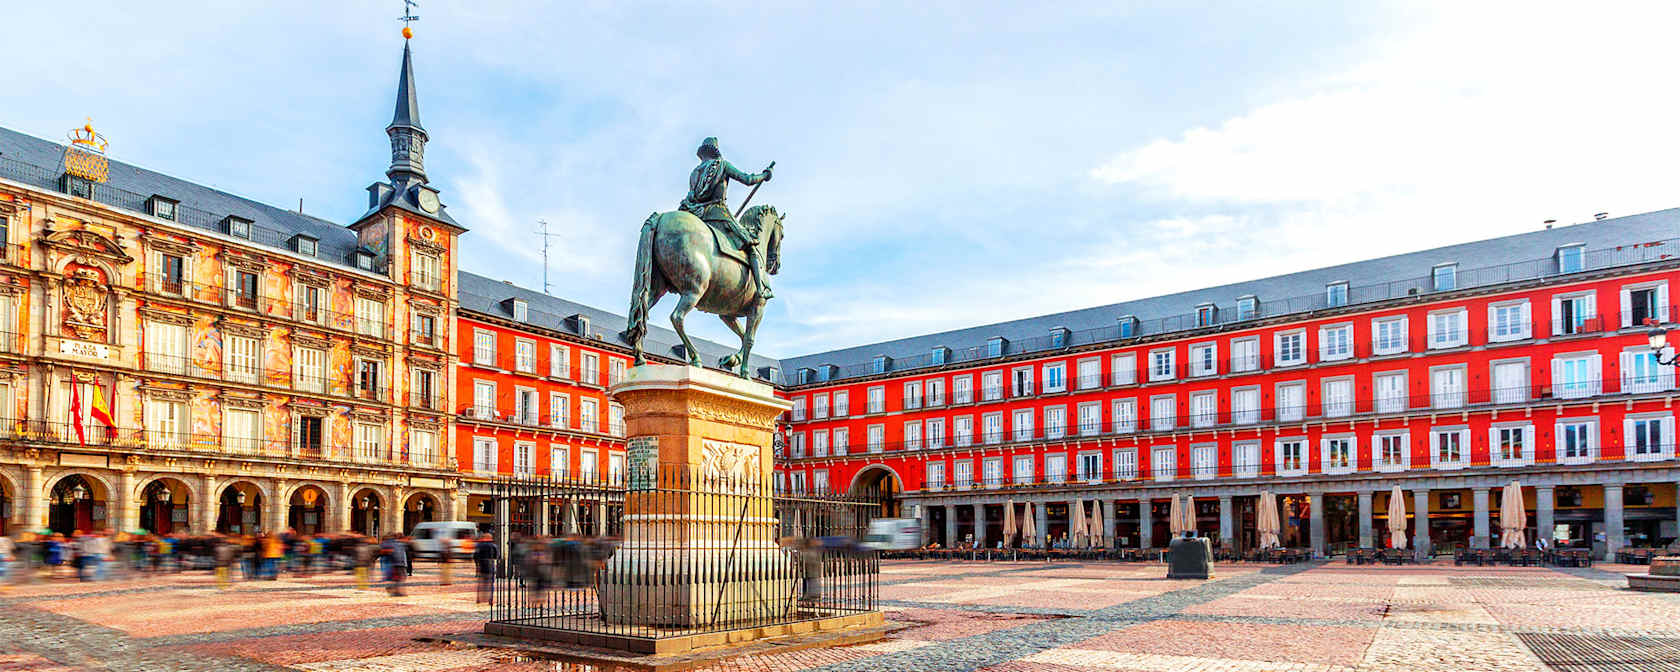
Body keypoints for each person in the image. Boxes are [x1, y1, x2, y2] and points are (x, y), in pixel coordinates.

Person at [678, 136, 775, 299]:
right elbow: (748, 180)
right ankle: (761, 288)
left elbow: (694, 196)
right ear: (716, 151)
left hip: (697, 215)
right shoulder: (722, 165)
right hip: (717, 213)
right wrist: (764, 175)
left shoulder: (694, 173)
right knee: (751, 243)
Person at [474, 533, 498, 604]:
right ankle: (490, 599)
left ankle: (478, 599)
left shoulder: (479, 545)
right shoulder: (493, 546)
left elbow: (475, 556)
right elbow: (496, 556)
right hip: (490, 566)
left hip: (481, 566)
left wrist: (477, 565)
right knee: (491, 584)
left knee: (481, 584)